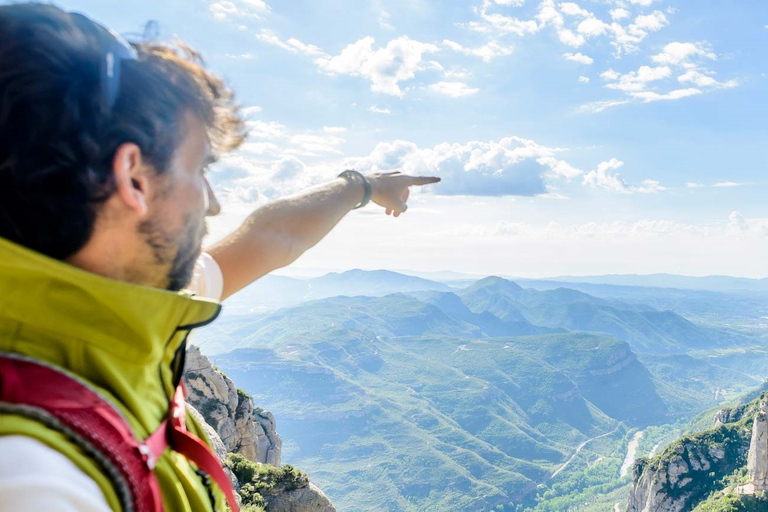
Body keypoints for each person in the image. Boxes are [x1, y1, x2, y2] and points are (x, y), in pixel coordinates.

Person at [0, 3, 439, 511]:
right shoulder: (37, 477)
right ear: (134, 178)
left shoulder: (104, 312)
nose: (213, 200)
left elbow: (272, 238)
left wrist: (363, 187)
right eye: (199, 168)